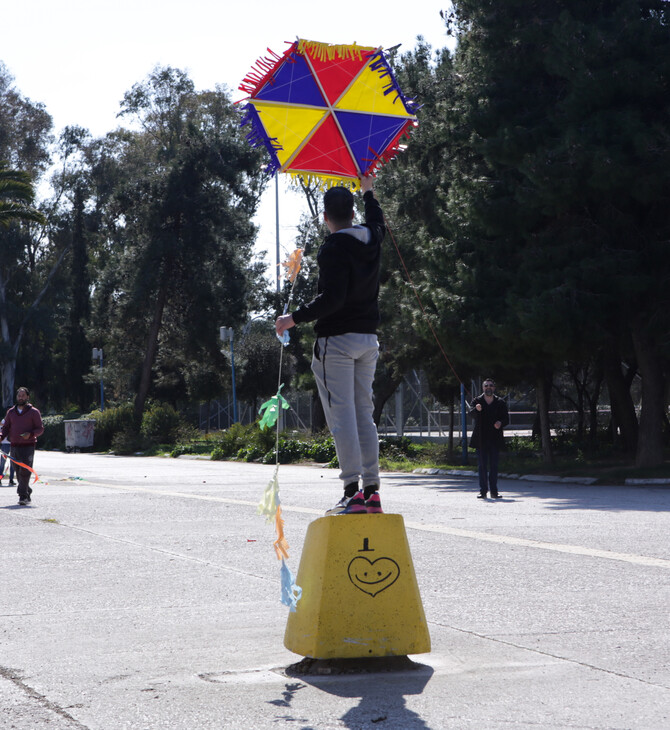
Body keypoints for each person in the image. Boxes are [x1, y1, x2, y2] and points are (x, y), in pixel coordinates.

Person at [275, 175, 385, 515]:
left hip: (336, 343)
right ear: (352, 213)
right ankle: (372, 492)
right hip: (368, 340)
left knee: (342, 418)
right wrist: (368, 191)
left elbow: (333, 299)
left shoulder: (333, 248)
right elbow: (378, 221)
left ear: (326, 218)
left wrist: (292, 318)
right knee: (364, 416)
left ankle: (351, 490)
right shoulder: (372, 237)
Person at [1, 387, 44, 506]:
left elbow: (40, 429)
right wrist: (1, 436)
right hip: (14, 445)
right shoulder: (11, 412)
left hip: (28, 446)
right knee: (18, 471)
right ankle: (27, 490)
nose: (20, 397)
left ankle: (23, 496)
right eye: (19, 395)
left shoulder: (34, 412)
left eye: (23, 395)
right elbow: (5, 428)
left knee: (25, 470)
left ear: (27, 397)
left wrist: (30, 434)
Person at [470, 379, 509, 499]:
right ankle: (483, 491)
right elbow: (470, 414)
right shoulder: (477, 401)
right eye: (486, 386)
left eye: (491, 386)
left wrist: (500, 423)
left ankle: (494, 492)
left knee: (494, 466)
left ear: (494, 388)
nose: (488, 387)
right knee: (482, 466)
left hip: (495, 439)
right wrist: (476, 409)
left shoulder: (500, 402)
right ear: (483, 388)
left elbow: (506, 419)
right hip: (481, 439)